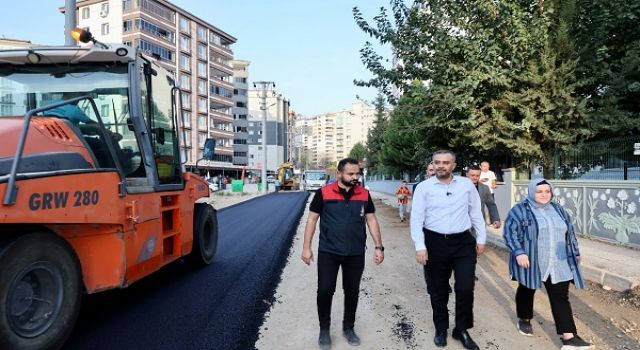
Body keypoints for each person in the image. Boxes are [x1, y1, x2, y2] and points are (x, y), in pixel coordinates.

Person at [301, 158, 384, 350]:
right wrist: (306, 247)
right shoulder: (324, 193)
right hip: (329, 252)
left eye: (357, 174)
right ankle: (324, 329)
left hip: (355, 253)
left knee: (352, 291)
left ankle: (349, 328)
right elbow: (312, 219)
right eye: (351, 174)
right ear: (339, 174)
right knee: (325, 290)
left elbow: (371, 220)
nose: (355, 177)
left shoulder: (364, 194)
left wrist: (379, 246)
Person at [503, 178, 593, 350]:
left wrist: (575, 252)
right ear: (531, 192)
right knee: (527, 290)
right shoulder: (520, 210)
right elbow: (510, 233)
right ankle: (524, 318)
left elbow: (570, 233)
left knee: (560, 297)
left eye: (547, 191)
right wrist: (519, 252)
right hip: (532, 261)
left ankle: (568, 337)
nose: (544, 194)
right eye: (539, 191)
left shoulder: (559, 209)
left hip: (559, 262)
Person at [410, 150, 485, 350]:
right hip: (434, 242)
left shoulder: (466, 185)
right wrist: (420, 246)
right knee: (438, 289)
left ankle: (461, 329)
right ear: (432, 165)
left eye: (445, 162)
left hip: (463, 243)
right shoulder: (424, 188)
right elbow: (416, 219)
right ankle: (441, 328)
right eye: (437, 162)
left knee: (465, 287)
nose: (441, 166)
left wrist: (482, 238)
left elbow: (476, 212)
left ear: (453, 165)